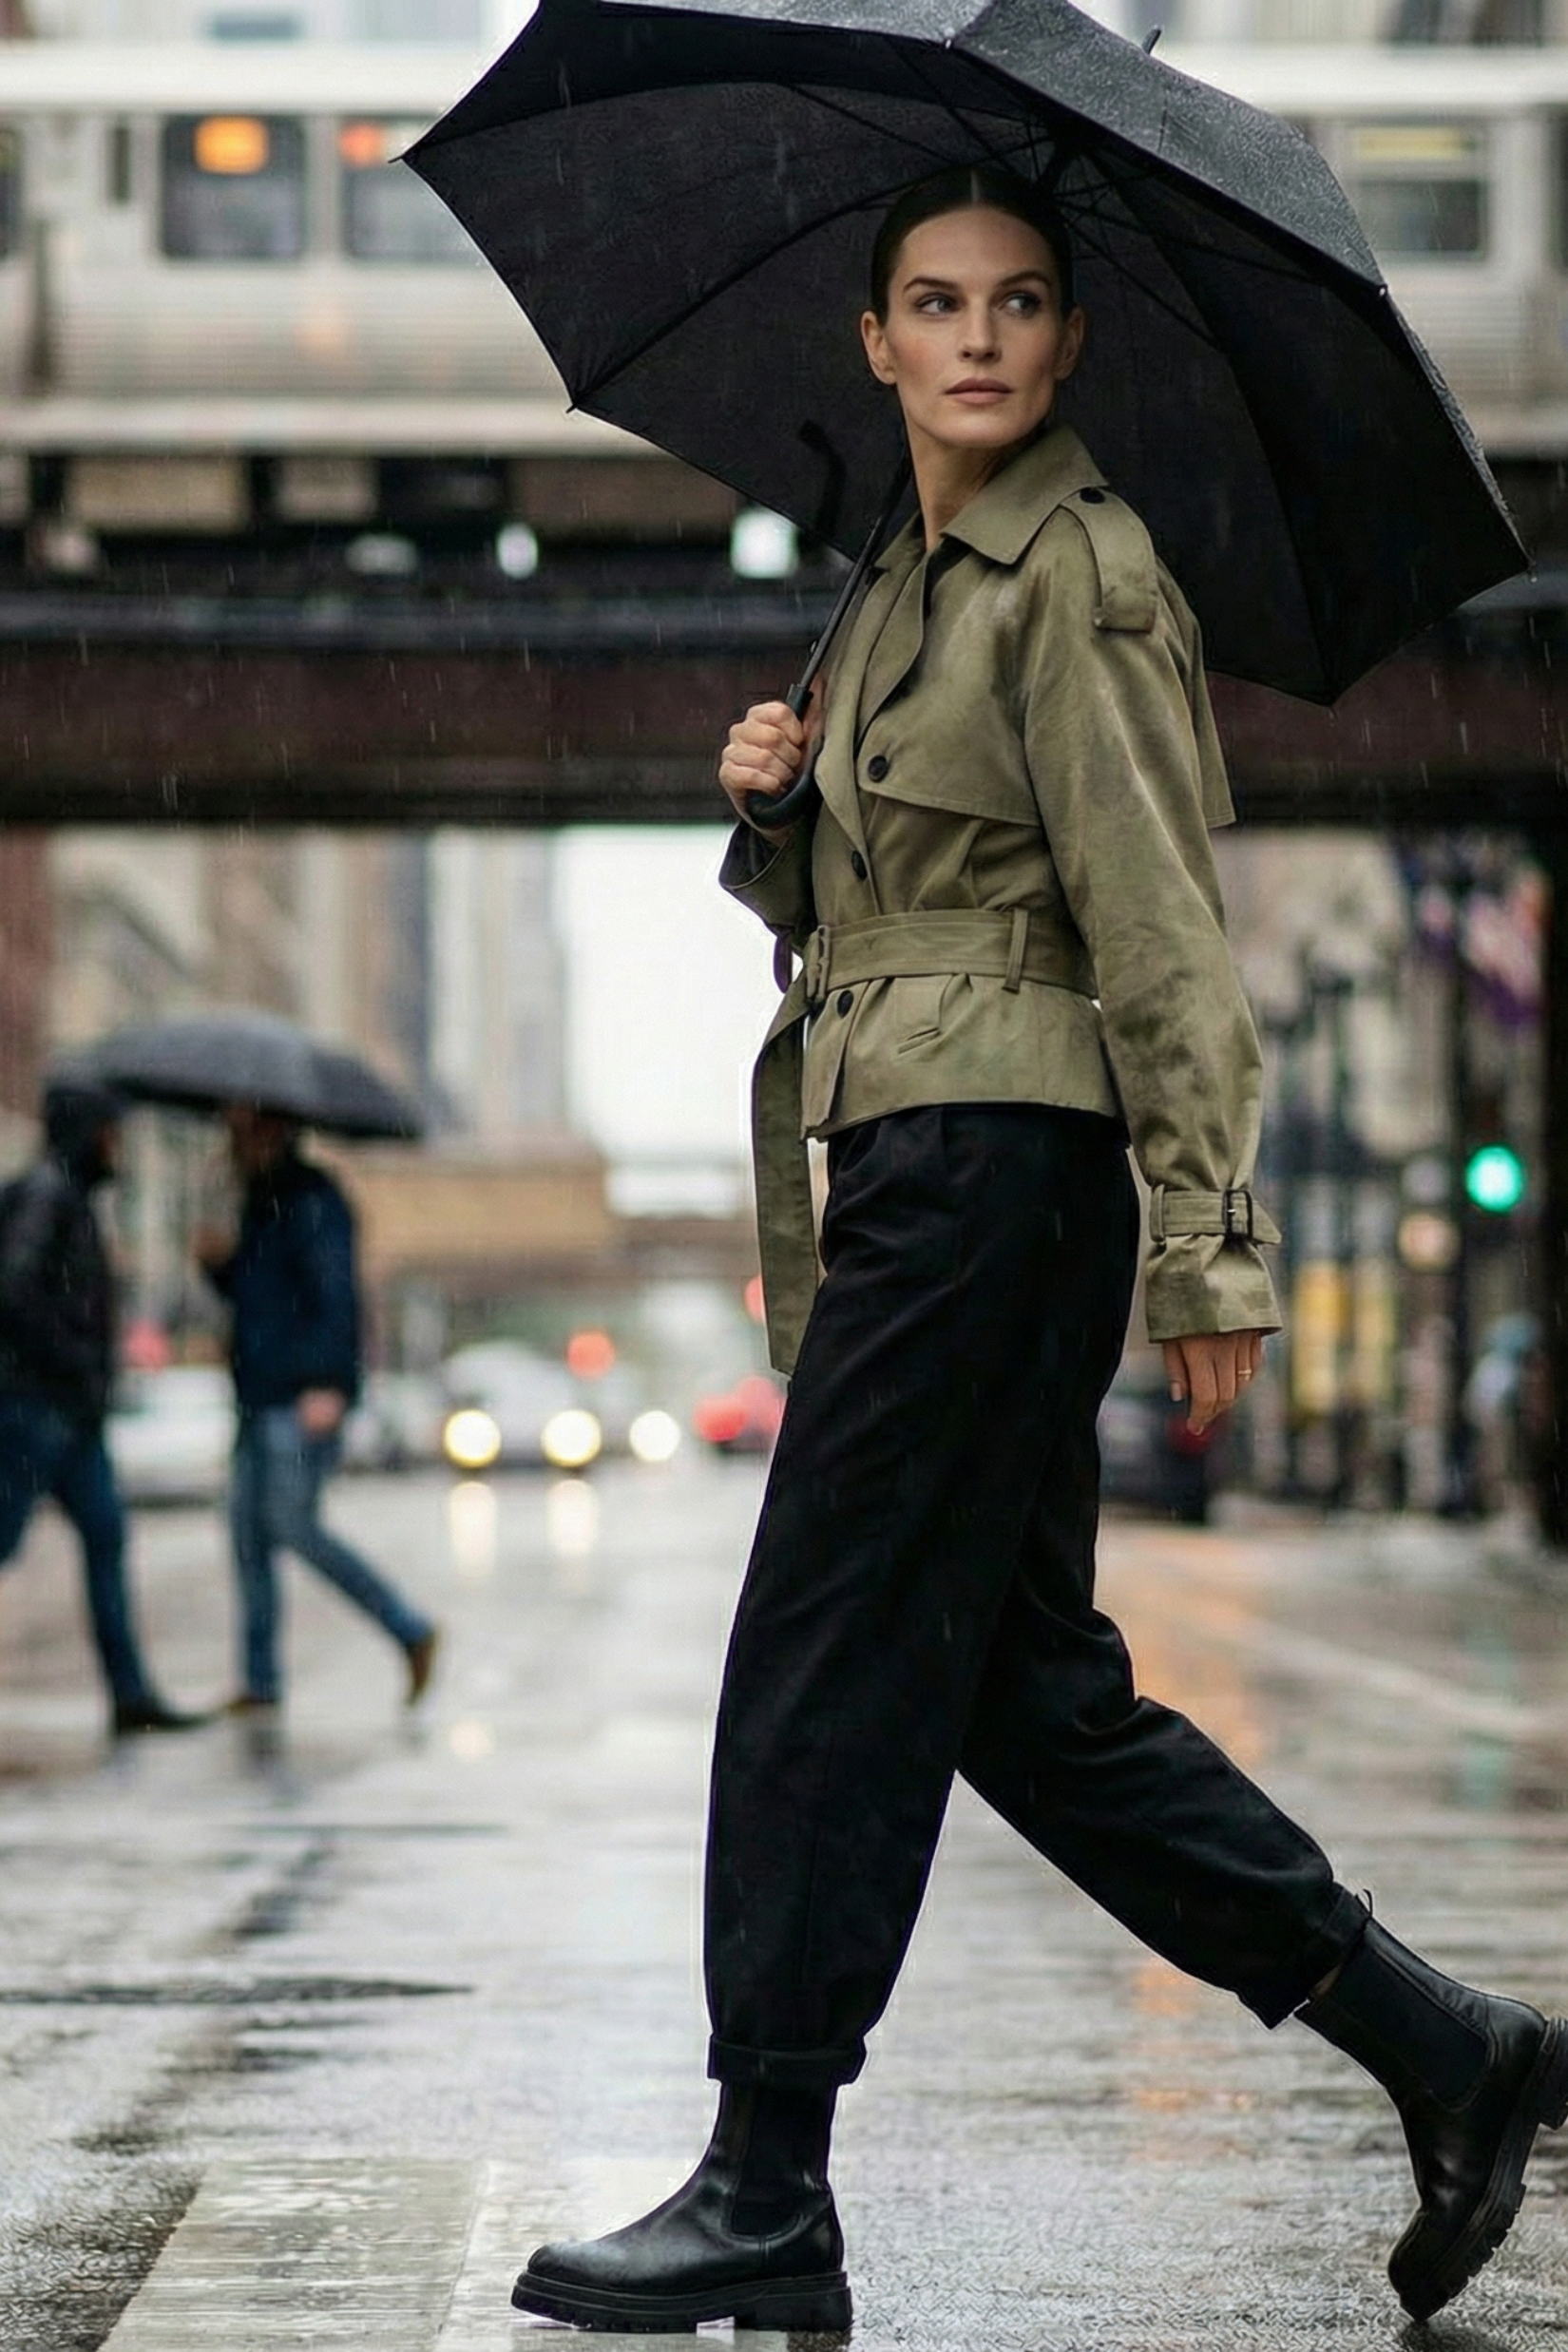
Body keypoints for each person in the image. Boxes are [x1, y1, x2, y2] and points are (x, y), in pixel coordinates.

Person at [513, 169, 1567, 2335]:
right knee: (1026, 1702)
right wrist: (774, 799)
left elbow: (1155, 921)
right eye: (932, 301)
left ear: (1067, 343)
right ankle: (1444, 2052)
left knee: (814, 1645)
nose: (976, 335)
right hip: (920, 1143)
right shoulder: (892, 579)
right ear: (873, 343)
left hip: (999, 1160)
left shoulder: (1073, 573)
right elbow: (870, 912)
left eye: (1016, 302)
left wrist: (1210, 1245)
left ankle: (764, 2169)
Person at [197, 1104, 439, 1714]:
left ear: (273, 1131)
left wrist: (330, 1383)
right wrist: (217, 1266)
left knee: (292, 1525)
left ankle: (407, 1627)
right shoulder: (258, 1202)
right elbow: (257, 1298)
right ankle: (260, 1681)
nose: (233, 1141)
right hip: (257, 1395)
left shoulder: (313, 1199)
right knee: (248, 1537)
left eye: (244, 1129)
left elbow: (336, 1297)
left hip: (300, 1396)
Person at [0, 1075, 206, 1736]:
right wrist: (75, 1360)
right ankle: (131, 1691)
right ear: (88, 1132)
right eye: (112, 1133)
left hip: (70, 1413)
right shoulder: (49, 1196)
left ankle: (130, 1692)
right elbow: (16, 1289)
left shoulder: (70, 1200)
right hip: (37, 1406)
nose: (119, 1147)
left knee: (107, 1537)